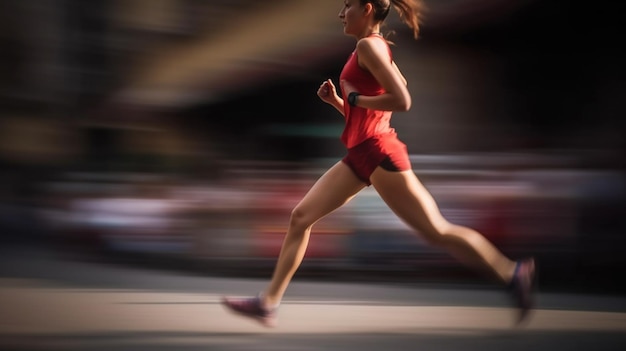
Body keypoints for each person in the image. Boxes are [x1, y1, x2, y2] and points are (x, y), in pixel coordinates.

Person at [222, 0, 536, 327]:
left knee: (437, 231)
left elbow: (403, 99)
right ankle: (268, 302)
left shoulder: (368, 47)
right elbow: (367, 115)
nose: (341, 13)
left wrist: (356, 99)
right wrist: (339, 102)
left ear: (367, 9)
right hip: (361, 155)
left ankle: (512, 273)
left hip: (380, 154)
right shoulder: (376, 48)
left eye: (347, 6)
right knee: (300, 217)